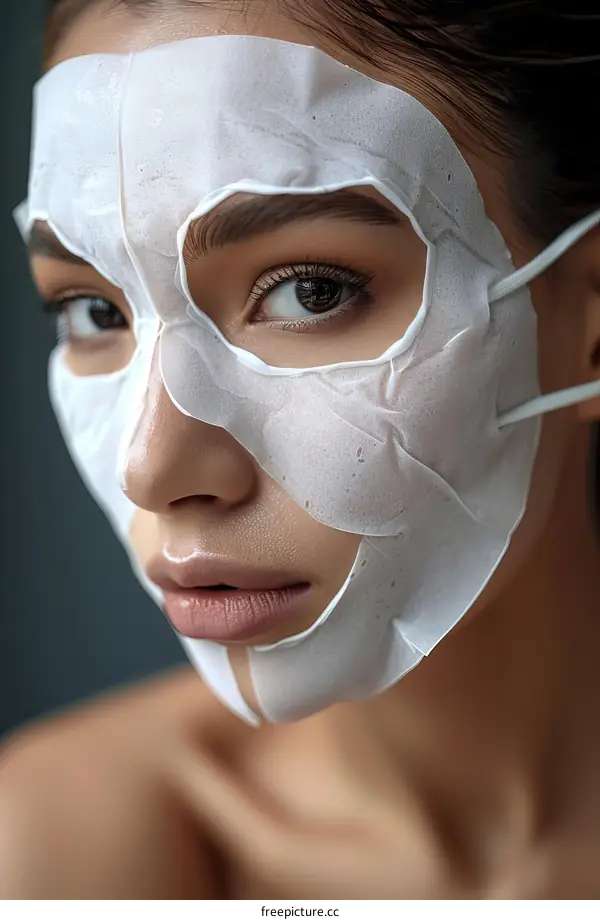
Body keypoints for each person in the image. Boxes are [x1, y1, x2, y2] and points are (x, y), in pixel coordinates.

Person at [1, 0, 600, 898]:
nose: (151, 466)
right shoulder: (62, 847)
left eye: (311, 291)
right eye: (95, 312)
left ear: (589, 318)